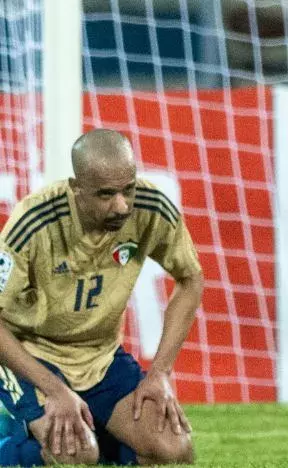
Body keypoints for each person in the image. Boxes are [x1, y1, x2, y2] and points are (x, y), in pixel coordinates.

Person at [0, 129, 201, 466]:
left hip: (100, 357)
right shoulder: (33, 223)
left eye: (128, 189)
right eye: (106, 194)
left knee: (174, 451)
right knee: (76, 455)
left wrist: (160, 372)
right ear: (76, 188)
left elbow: (191, 277)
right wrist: (54, 389)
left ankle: (92, 439)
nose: (121, 205)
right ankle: (10, 445)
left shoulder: (151, 208)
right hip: (31, 355)